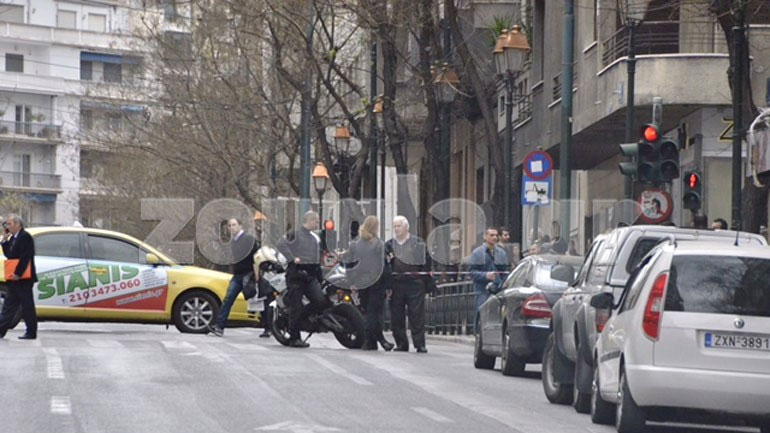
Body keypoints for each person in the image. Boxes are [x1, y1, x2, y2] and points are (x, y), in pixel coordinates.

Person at [276, 211, 326, 348]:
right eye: (316, 221)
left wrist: (319, 276)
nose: (317, 224)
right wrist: (292, 258)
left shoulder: (314, 238)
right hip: (296, 277)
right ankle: (294, 338)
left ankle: (301, 319)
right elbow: (280, 244)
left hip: (309, 277)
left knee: (320, 301)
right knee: (295, 307)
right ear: (309, 221)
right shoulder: (295, 234)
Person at [385, 215, 435, 353]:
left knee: (416, 315)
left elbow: (426, 262)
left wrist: (422, 280)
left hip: (414, 283)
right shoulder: (389, 245)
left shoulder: (417, 243)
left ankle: (419, 344)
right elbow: (386, 264)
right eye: (394, 226)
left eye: (398, 226)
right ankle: (401, 343)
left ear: (406, 227)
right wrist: (388, 285)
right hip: (396, 284)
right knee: (397, 315)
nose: (396, 229)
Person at [346, 216, 394, 351]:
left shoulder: (355, 244)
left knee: (367, 312)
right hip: (376, 282)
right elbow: (384, 266)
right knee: (374, 313)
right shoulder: (378, 244)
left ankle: (375, 341)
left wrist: (352, 282)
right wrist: (389, 285)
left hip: (361, 282)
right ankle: (371, 340)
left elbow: (349, 264)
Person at [209, 218, 260, 337]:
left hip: (248, 274)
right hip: (238, 275)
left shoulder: (248, 239)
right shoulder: (234, 242)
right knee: (228, 299)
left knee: (257, 300)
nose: (231, 228)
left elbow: (256, 257)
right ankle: (219, 327)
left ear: (240, 226)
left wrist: (257, 274)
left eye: (234, 225)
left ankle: (269, 327)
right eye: (229, 226)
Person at [0, 214, 38, 340]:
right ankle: (1, 330)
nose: (7, 226)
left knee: (27, 305)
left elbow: (25, 258)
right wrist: (4, 240)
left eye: (10, 224)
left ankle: (31, 331)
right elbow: (10, 255)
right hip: (14, 278)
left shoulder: (25, 237)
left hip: (23, 278)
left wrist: (18, 273)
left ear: (18, 224)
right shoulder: (13, 238)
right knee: (9, 305)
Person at [469, 228, 509, 312]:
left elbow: (505, 271)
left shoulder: (501, 253)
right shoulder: (477, 253)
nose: (494, 237)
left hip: (498, 291)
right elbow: (472, 272)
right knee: (482, 315)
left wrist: (505, 282)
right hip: (482, 292)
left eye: (496, 235)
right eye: (491, 235)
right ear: (485, 237)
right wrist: (485, 276)